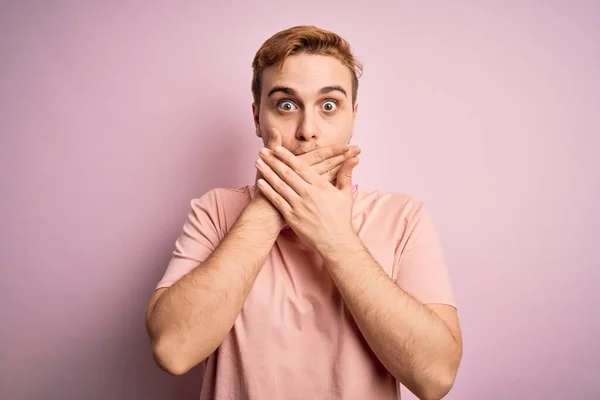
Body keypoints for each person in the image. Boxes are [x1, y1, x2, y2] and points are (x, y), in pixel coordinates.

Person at [145, 25, 463, 400]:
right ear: (256, 118)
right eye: (286, 104)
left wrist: (336, 238)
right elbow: (173, 350)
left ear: (353, 117)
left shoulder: (403, 217)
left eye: (329, 105)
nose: (307, 130)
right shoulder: (215, 210)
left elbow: (436, 378)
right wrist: (269, 208)